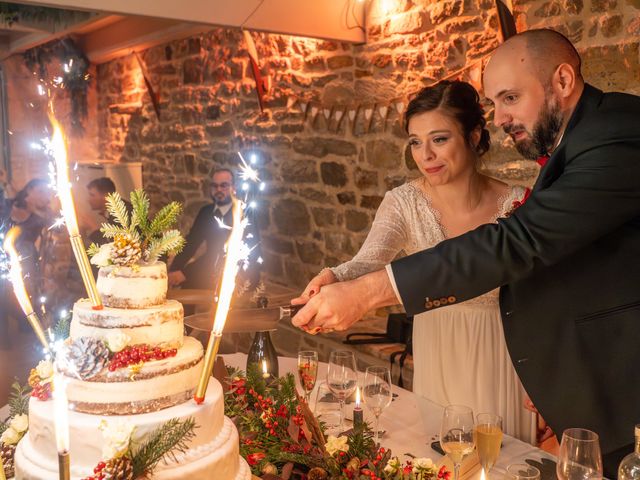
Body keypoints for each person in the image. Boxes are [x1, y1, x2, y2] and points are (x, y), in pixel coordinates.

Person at [292, 28, 640, 477]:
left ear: (563, 80)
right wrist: (344, 279)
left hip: (618, 376)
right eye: (495, 103)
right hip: (493, 363)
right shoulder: (585, 139)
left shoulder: (616, 135)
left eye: (510, 98)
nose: (501, 117)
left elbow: (520, 244)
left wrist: (366, 294)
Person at [297, 80, 532, 440]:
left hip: (504, 359)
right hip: (439, 353)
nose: (426, 155)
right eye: (415, 142)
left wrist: (542, 379)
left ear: (473, 135)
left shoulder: (519, 204)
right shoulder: (403, 203)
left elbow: (544, 298)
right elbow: (368, 262)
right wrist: (334, 276)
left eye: (439, 139)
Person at [168, 167, 261, 291]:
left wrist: (185, 273)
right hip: (211, 268)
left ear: (234, 188)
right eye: (214, 186)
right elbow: (191, 242)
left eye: (224, 186)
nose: (218, 190)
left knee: (189, 277)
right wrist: (174, 269)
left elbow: (221, 253)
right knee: (187, 287)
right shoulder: (206, 212)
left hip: (239, 272)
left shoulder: (243, 213)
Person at [0, 179, 52, 343]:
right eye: (42, 191)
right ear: (30, 190)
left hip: (26, 262)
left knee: (25, 294)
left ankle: (26, 323)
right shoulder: (9, 205)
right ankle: (5, 336)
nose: (46, 196)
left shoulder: (43, 214)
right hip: (4, 257)